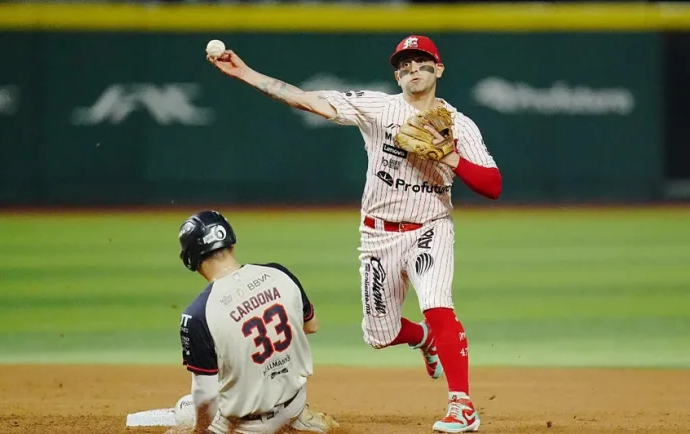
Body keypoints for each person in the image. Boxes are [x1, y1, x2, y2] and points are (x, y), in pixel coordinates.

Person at [207, 34, 502, 433]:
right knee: (380, 334)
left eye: (422, 62)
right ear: (397, 74)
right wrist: (244, 72)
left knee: (437, 303)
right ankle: (426, 339)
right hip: (377, 235)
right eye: (404, 64)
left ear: (439, 69)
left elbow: (492, 185)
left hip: (430, 228)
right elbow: (305, 99)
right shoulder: (378, 107)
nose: (413, 69)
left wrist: (449, 154)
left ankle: (462, 406)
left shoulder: (459, 125)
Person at [175, 210, 339, 434]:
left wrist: (199, 430)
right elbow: (311, 325)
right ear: (231, 243)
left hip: (247, 425)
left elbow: (206, 394)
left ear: (191, 260)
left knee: (193, 411)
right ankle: (297, 420)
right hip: (295, 404)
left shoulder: (197, 315)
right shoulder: (278, 273)